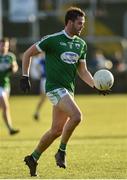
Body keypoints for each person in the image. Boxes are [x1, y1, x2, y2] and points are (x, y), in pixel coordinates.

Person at [20, 7, 110, 176]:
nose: (82, 27)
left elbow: (82, 71)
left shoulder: (81, 44)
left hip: (68, 90)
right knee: (77, 116)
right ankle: (61, 151)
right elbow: (27, 54)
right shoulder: (53, 40)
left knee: (56, 130)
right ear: (69, 22)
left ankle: (33, 158)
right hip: (54, 88)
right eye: (79, 23)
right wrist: (25, 76)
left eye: (83, 24)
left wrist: (95, 86)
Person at [0, 38, 19, 135]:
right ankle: (10, 129)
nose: (4, 47)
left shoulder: (10, 56)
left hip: (6, 85)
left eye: (6, 46)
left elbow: (15, 67)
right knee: (5, 106)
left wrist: (13, 67)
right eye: (2, 45)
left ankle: (9, 129)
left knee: (3, 108)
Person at [33, 55, 46, 120]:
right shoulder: (44, 59)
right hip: (46, 79)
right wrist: (39, 73)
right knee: (43, 98)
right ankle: (36, 112)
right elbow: (37, 66)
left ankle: (37, 112)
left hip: (46, 79)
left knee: (43, 98)